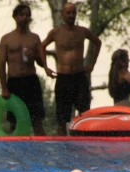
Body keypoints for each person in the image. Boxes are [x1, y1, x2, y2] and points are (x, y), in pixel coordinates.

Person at [40, 2, 102, 135]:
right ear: (62, 14)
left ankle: (83, 142)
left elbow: (98, 42)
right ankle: (63, 147)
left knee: (84, 113)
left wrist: (92, 64)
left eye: (73, 12)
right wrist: (46, 68)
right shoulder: (56, 32)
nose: (71, 15)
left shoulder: (82, 31)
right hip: (63, 77)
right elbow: (42, 46)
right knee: (62, 118)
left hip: (79, 77)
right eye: (68, 13)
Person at [0, 4, 46, 136]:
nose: (25, 18)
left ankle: (42, 152)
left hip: (31, 81)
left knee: (37, 121)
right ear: (15, 17)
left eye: (27, 15)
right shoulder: (6, 39)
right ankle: (13, 153)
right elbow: (2, 65)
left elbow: (42, 63)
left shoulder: (34, 38)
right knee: (14, 123)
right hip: (14, 82)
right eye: (22, 15)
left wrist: (35, 55)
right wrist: (4, 87)